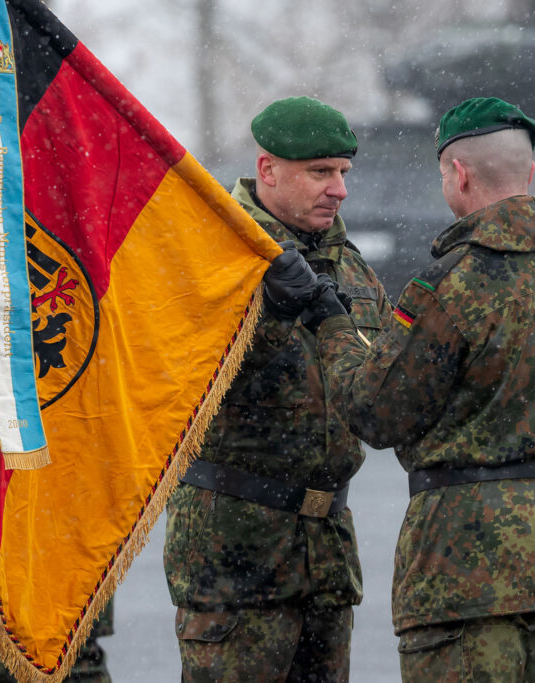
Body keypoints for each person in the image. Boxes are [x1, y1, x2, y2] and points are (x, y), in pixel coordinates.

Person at [282, 97, 535, 681]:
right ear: (530, 173)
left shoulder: (450, 284)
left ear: (459, 173)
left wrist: (331, 323)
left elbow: (377, 413)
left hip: (458, 569)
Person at [163, 95, 392, 681]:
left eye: (342, 173)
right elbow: (173, 377)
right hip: (234, 549)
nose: (338, 189)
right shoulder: (212, 253)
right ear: (268, 170)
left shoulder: (354, 269)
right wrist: (263, 311)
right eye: (320, 172)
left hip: (326, 552)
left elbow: (381, 385)